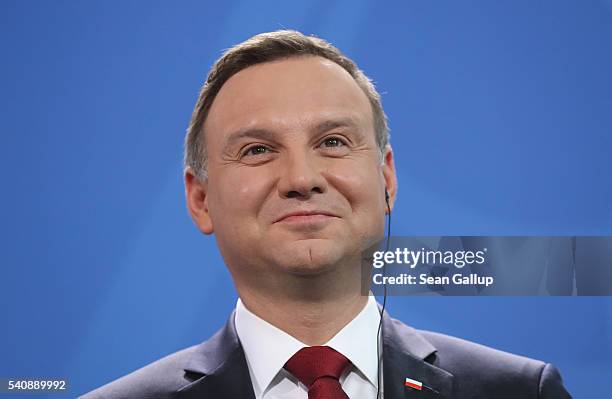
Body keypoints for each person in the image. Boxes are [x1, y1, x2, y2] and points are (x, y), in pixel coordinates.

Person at [81, 30, 572, 399]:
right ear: (200, 199)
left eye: (333, 142)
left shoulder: (521, 390)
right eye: (257, 150)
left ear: (387, 180)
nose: (301, 178)